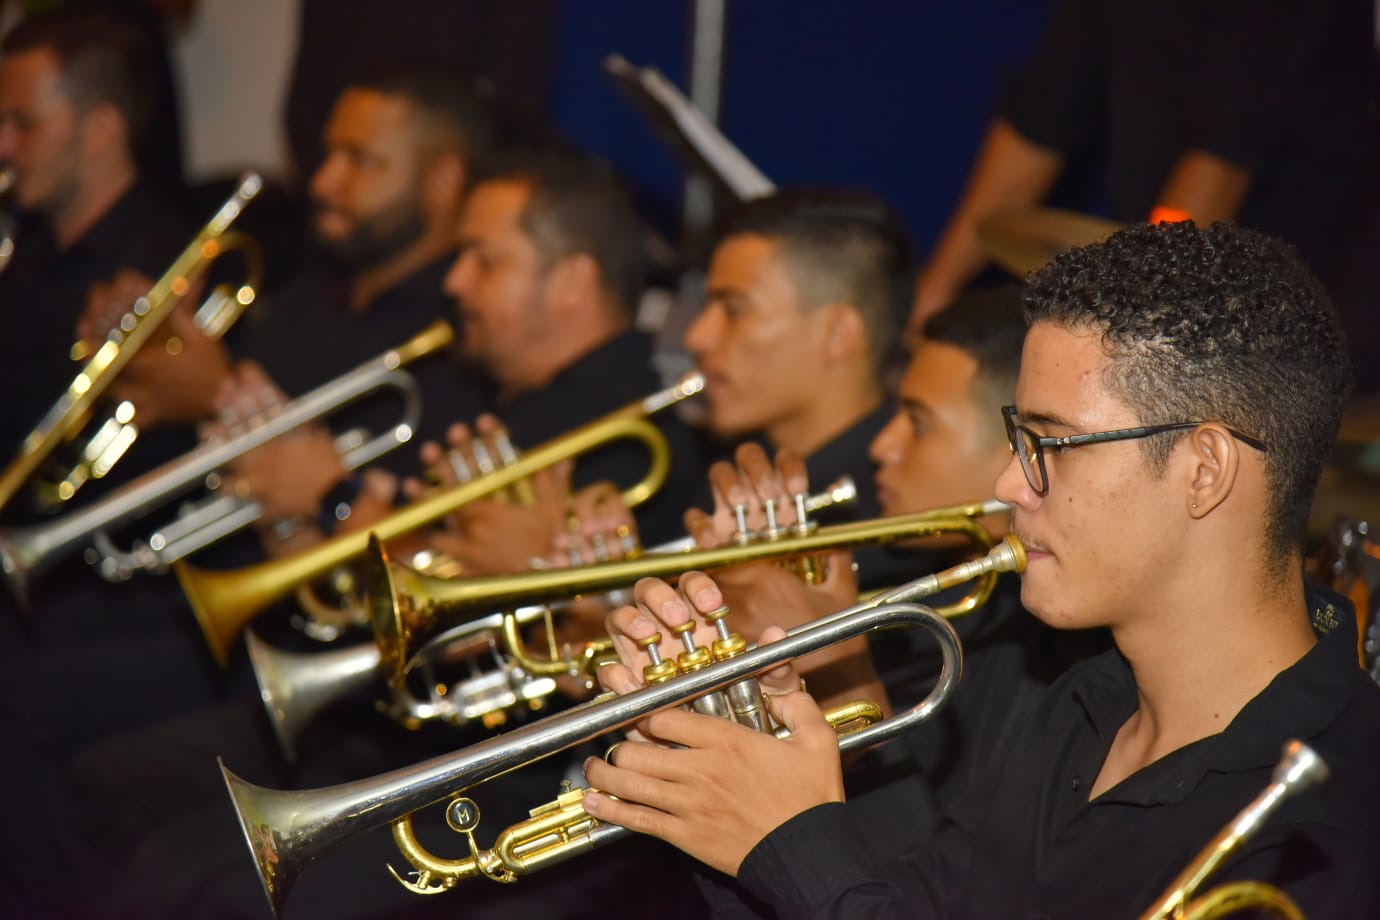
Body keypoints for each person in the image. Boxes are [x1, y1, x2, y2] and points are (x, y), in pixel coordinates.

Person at [584, 220, 1380, 918]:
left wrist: (794, 842)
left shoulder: (1324, 825)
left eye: (1051, 444)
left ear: (1205, 469)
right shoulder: (1079, 702)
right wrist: (720, 803)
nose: (1007, 485)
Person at [908, 0, 1375, 334]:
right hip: (1169, 265)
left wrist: (1137, 322)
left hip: (1299, 303)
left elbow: (1221, 160)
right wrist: (937, 290)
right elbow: (1043, 118)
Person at [0, 5, 187, 477]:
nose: (4, 147)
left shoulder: (171, 265)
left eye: (25, 124)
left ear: (100, 131)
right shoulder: (25, 252)